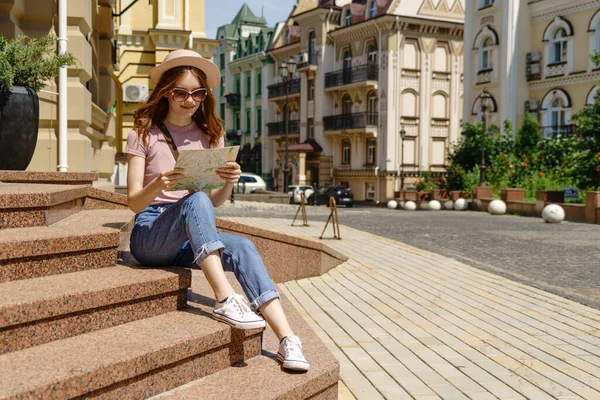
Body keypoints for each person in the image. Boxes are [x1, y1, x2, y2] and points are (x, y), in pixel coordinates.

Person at [124, 49, 309, 372]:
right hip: (150, 236)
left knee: (243, 246)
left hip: (187, 239)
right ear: (166, 92)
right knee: (194, 199)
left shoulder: (211, 135)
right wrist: (160, 185)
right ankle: (225, 300)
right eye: (181, 92)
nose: (189, 100)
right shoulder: (142, 133)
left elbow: (214, 203)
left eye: (197, 93)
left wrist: (228, 182)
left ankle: (287, 339)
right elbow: (133, 202)